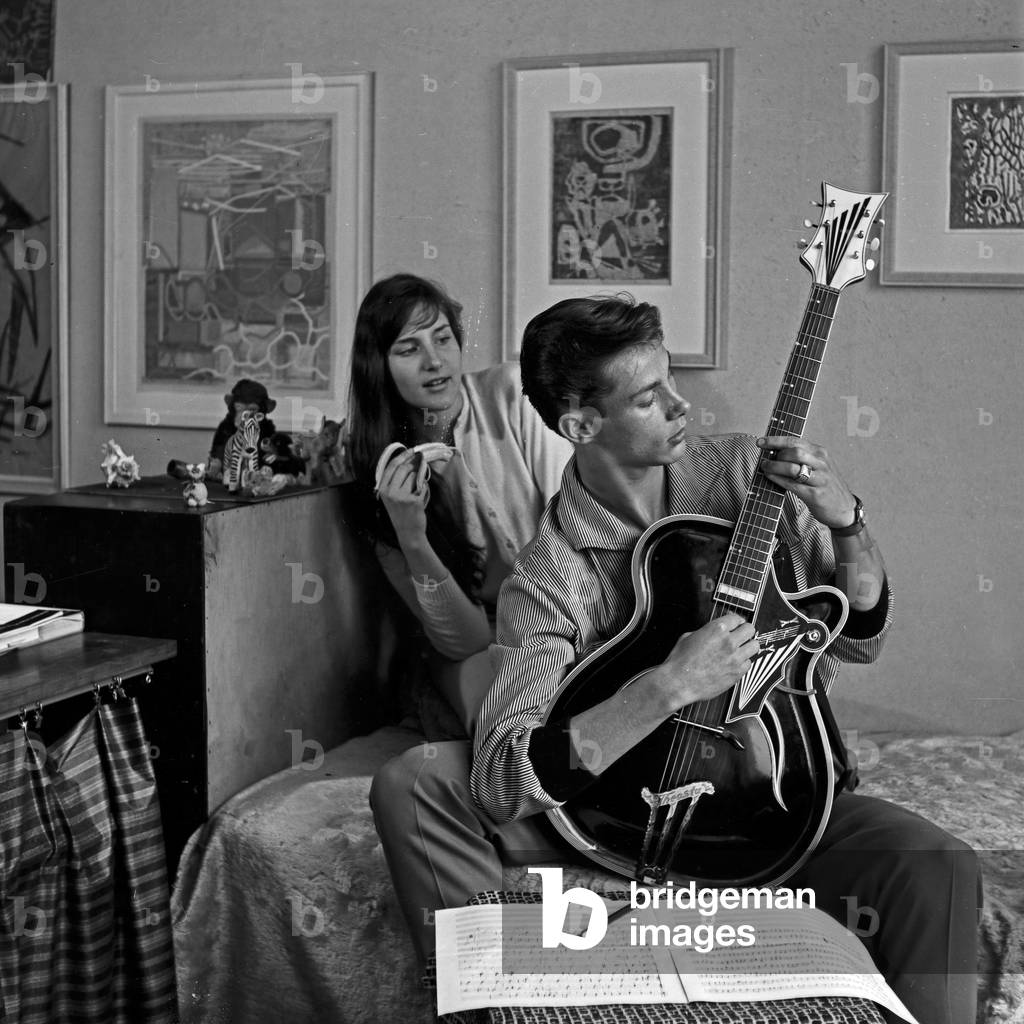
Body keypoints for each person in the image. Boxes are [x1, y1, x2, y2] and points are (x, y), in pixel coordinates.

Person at [371, 294, 979, 1024]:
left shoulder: (746, 476)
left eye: (672, 382)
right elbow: (504, 778)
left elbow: (860, 636)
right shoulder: (548, 575)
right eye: (649, 397)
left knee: (937, 863)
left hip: (779, 807)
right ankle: (505, 999)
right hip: (619, 828)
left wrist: (846, 522)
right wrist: (666, 686)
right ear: (580, 426)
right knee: (413, 780)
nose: (680, 406)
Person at [347, 273, 571, 738]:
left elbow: (571, 525)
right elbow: (464, 640)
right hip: (482, 648)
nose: (435, 361)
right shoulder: (382, 476)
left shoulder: (513, 394)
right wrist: (410, 534)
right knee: (504, 732)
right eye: (409, 349)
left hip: (569, 621)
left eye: (443, 338)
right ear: (379, 367)